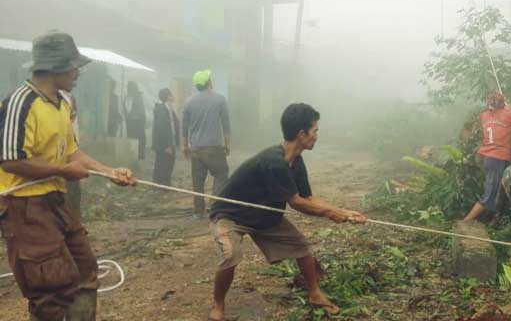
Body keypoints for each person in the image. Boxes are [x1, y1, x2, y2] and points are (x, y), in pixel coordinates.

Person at [0, 31, 136, 321]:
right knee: (49, 288)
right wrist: (63, 170)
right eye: (73, 66)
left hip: (56, 199)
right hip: (26, 206)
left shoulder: (62, 104)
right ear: (55, 67)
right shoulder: (20, 102)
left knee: (85, 272)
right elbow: (11, 160)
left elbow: (72, 153)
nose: (77, 73)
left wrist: (109, 172)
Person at [207, 103, 366, 320]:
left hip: (264, 216)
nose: (317, 136)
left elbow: (308, 198)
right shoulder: (274, 162)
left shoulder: (296, 161)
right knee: (231, 254)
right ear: (302, 134)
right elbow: (297, 204)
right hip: (230, 215)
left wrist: (343, 211)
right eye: (315, 130)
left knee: (302, 248)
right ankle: (218, 305)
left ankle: (315, 293)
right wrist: (331, 214)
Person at [464, 91, 511, 221]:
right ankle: (465, 221)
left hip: (488, 157)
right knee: (489, 194)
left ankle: (493, 217)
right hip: (498, 158)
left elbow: (498, 116)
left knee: (495, 189)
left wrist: (507, 109)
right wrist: (510, 109)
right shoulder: (509, 114)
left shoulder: (484, 116)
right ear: (502, 103)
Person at [182, 70, 230, 218]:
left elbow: (184, 128)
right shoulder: (220, 100)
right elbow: (226, 125)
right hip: (214, 148)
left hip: (196, 148)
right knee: (221, 174)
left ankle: (198, 212)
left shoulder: (188, 102)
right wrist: (227, 145)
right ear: (209, 82)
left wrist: (184, 147)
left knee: (198, 180)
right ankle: (214, 207)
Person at [152, 88, 180, 186]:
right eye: (171, 94)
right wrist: (166, 145)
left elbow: (173, 125)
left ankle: (163, 183)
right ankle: (161, 184)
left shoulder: (168, 108)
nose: (173, 96)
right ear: (168, 96)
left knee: (167, 163)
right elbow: (161, 128)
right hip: (164, 143)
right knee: (164, 164)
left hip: (170, 141)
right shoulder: (161, 109)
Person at [123, 81, 147, 160]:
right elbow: (141, 110)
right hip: (135, 122)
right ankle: (137, 155)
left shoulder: (131, 97)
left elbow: (127, 110)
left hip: (133, 122)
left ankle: (137, 155)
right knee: (137, 139)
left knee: (135, 139)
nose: (128, 89)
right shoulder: (134, 97)